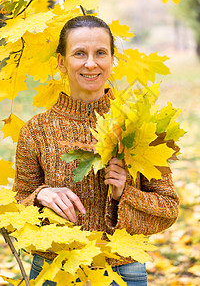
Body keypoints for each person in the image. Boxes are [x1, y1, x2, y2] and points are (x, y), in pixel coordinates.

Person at [13, 15, 180, 286]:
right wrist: (39, 195)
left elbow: (168, 209)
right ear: (61, 62)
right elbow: (17, 209)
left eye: (100, 53)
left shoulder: (138, 125)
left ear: (112, 60)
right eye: (79, 53)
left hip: (124, 271)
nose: (91, 63)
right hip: (55, 270)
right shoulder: (36, 131)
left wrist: (126, 193)